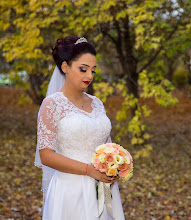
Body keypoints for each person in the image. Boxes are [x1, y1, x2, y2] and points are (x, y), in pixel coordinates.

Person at [35, 36, 125, 220]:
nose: (89, 76)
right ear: (65, 67)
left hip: (103, 188)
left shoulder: (97, 103)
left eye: (93, 70)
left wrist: (114, 165)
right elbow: (46, 155)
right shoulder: (52, 104)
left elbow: (106, 144)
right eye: (83, 69)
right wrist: (88, 170)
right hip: (70, 191)